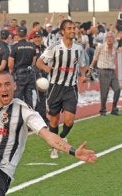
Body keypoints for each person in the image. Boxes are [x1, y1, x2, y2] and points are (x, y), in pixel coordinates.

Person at [36, 19, 88, 159]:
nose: (72, 30)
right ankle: (54, 147)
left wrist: (83, 75)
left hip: (71, 88)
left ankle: (61, 138)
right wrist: (45, 67)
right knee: (53, 121)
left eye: (73, 28)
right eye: (69, 28)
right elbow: (39, 61)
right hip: (55, 87)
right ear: (63, 32)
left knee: (69, 121)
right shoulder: (55, 47)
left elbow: (83, 65)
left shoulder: (78, 48)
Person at [89, 31, 121, 116]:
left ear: (113, 39)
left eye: (111, 37)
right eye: (108, 37)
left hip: (112, 71)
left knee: (117, 89)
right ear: (105, 38)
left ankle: (114, 108)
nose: (109, 38)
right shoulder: (100, 47)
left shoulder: (115, 47)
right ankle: (103, 110)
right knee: (104, 92)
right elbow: (95, 59)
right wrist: (90, 69)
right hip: (103, 71)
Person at [8, 26, 36, 108]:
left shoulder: (15, 47)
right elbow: (33, 62)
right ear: (26, 34)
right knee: (29, 98)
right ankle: (29, 117)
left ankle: (18, 117)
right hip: (29, 74)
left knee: (17, 98)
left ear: (17, 35)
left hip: (19, 75)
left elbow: (10, 64)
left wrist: (12, 72)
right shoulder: (32, 46)